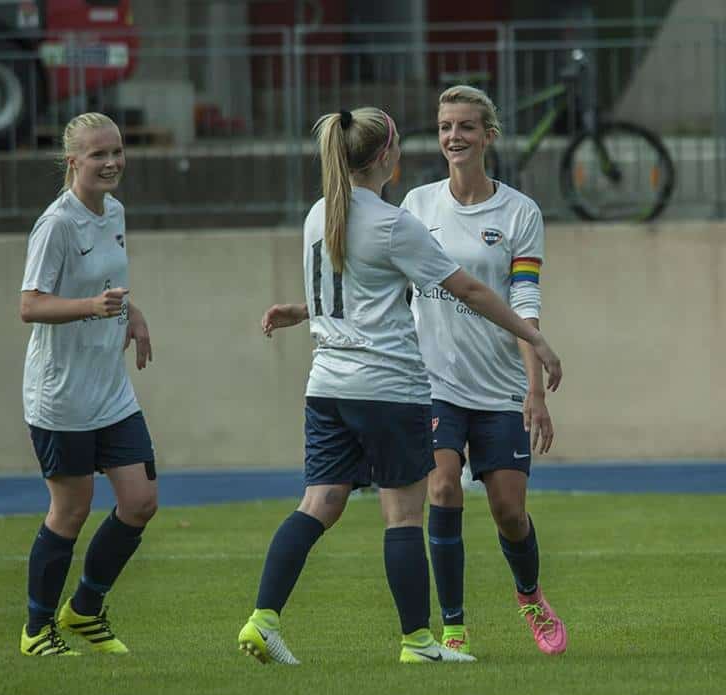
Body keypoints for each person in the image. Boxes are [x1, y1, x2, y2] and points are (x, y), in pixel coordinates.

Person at [239, 106, 562, 665]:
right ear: (387, 156)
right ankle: (419, 641)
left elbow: (355, 289)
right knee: (406, 515)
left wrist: (303, 311)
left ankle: (262, 619)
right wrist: (536, 338)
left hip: (327, 386)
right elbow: (470, 290)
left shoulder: (320, 212)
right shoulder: (395, 221)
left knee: (318, 503)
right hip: (388, 388)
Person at [401, 85, 567, 657]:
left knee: (509, 512)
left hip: (498, 388)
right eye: (445, 126)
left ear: (488, 136)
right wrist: (311, 311)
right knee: (443, 487)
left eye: (466, 126)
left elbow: (524, 300)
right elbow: (386, 284)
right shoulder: (416, 206)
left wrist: (535, 389)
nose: (454, 136)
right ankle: (452, 627)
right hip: (433, 384)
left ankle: (530, 596)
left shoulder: (520, 212)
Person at [18, 112, 156, 658]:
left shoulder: (114, 211)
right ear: (73, 161)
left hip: (110, 389)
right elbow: (30, 305)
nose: (112, 162)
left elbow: (110, 285)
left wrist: (133, 314)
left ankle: (85, 609)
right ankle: (36, 630)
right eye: (99, 154)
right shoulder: (56, 224)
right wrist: (90, 308)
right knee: (71, 510)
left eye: (117, 151)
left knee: (140, 501)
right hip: (62, 394)